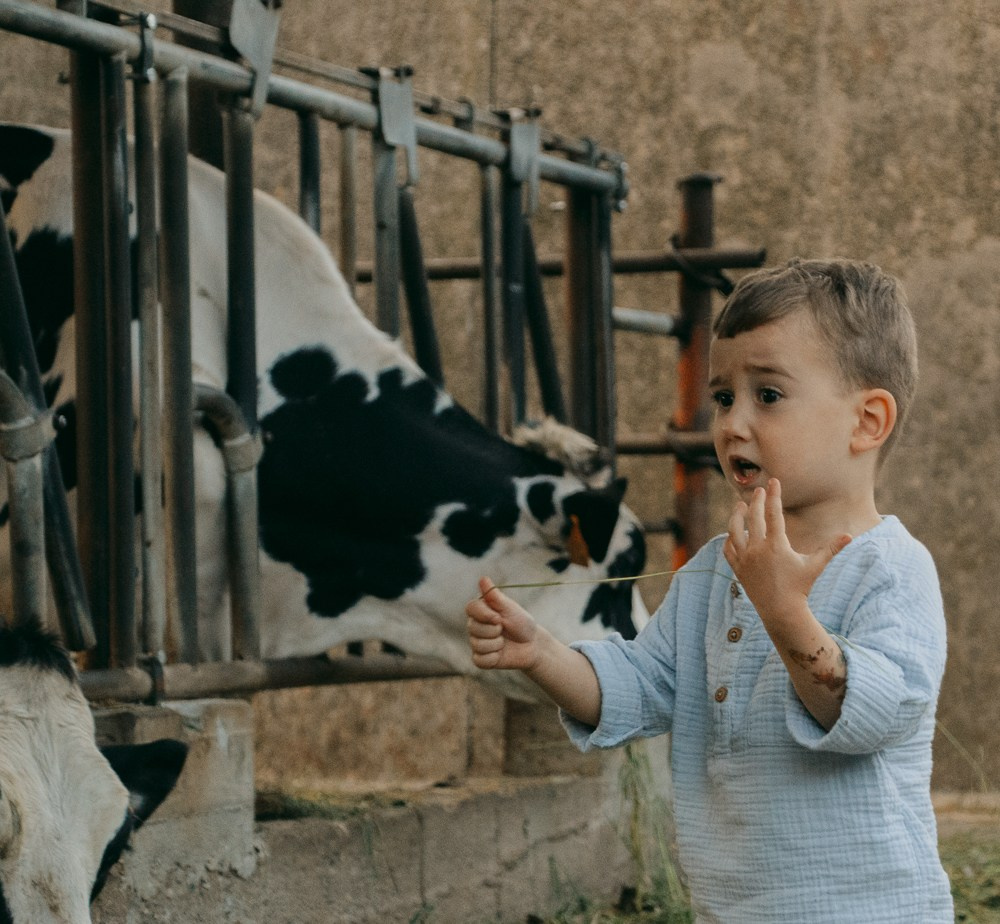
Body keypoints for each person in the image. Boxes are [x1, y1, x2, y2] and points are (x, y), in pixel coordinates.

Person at [466, 258, 952, 923]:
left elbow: (869, 715)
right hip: (731, 909)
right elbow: (643, 683)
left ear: (867, 421)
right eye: (723, 397)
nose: (731, 423)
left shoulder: (892, 569)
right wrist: (546, 654)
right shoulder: (711, 574)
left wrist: (783, 610)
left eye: (768, 395)